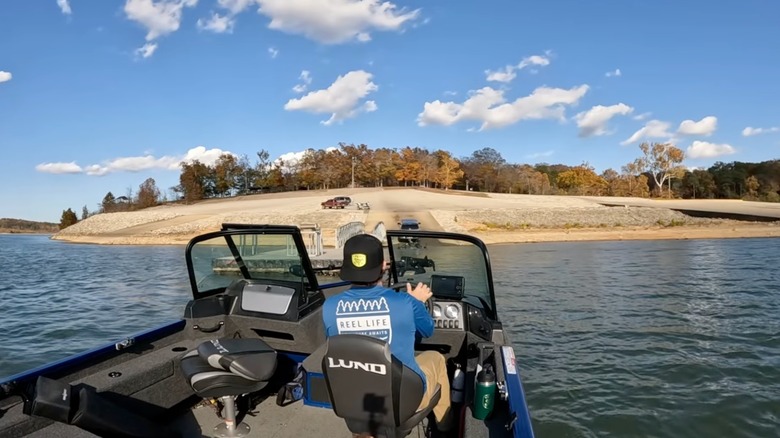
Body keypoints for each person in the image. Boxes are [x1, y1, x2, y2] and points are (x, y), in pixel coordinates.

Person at [322, 233, 452, 432]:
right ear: (384, 266)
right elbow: (428, 331)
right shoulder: (407, 303)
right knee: (437, 358)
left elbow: (339, 345)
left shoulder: (329, 307)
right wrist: (417, 302)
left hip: (354, 398)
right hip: (404, 398)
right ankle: (445, 429)